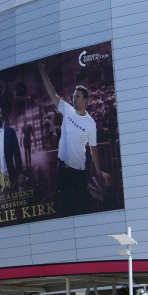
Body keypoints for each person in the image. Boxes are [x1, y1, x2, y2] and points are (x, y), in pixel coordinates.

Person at [39, 62, 107, 216]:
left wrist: (98, 171)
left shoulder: (90, 123)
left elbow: (93, 148)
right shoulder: (67, 110)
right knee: (64, 204)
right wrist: (43, 72)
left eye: (77, 96)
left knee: (82, 205)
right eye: (73, 96)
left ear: (86, 100)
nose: (74, 99)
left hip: (79, 169)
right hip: (63, 165)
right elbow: (53, 94)